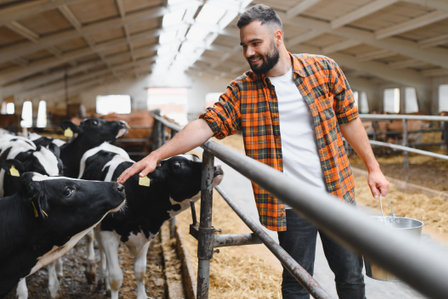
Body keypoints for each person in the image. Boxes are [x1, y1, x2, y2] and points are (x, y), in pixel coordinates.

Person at [118, 4, 389, 298]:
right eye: (244, 46)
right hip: (290, 203)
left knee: (350, 276)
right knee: (297, 280)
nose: (248, 52)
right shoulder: (242, 90)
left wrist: (373, 167)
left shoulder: (323, 69)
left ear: (278, 37)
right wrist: (157, 155)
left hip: (336, 194)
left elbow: (349, 119)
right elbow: (204, 126)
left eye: (255, 43)